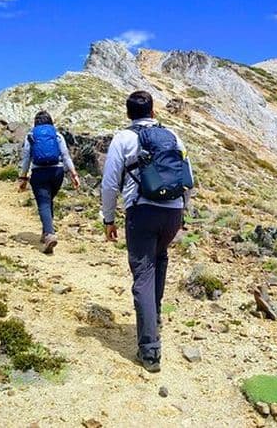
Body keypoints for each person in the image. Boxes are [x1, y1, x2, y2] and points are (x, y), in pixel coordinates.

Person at [101, 91, 193, 372]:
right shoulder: (173, 136)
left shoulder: (123, 139)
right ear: (153, 112)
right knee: (160, 257)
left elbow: (109, 184)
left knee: (143, 271)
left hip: (142, 211)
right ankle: (155, 316)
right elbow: (188, 176)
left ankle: (150, 350)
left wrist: (108, 219)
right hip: (173, 210)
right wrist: (183, 213)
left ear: (129, 114)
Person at [18, 110, 80, 254]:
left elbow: (26, 159)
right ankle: (46, 230)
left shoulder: (31, 136)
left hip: (39, 173)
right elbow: (66, 156)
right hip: (57, 172)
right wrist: (74, 174)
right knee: (48, 199)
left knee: (43, 203)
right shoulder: (57, 135)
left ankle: (49, 234)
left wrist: (23, 177)